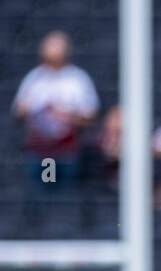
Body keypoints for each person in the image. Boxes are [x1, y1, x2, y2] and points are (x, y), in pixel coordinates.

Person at [10, 31, 100, 188]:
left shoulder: (77, 79)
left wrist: (66, 115)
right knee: (44, 193)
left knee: (65, 196)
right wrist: (25, 110)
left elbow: (92, 116)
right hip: (42, 153)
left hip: (67, 152)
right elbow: (18, 113)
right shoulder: (35, 78)